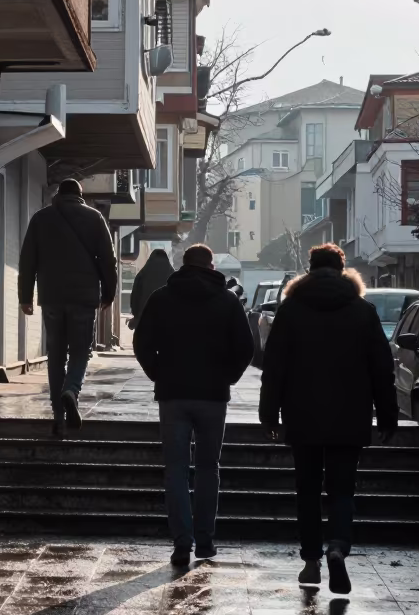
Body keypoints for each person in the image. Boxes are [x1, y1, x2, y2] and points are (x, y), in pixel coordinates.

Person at [258, 243, 398, 594]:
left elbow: (274, 366)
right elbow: (382, 368)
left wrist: (269, 414)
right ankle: (337, 545)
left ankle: (310, 561)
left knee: (306, 489)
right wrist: (387, 415)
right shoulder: (363, 311)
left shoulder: (291, 311)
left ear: (309, 268)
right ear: (342, 268)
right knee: (341, 488)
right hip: (349, 415)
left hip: (302, 413)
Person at [134, 244, 254, 565]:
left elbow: (142, 343)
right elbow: (246, 347)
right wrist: (227, 376)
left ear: (182, 266)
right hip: (213, 397)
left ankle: (181, 543)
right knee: (207, 469)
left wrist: (159, 373)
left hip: (173, 395)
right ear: (211, 267)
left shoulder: (162, 297)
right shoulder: (227, 301)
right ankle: (204, 540)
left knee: (175, 470)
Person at [18, 178, 116, 434]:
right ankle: (71, 390)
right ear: (80, 196)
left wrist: (25, 297)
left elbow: (28, 259)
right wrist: (109, 292)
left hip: (51, 296)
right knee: (81, 351)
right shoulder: (94, 218)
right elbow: (108, 259)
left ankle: (58, 414)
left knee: (56, 354)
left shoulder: (41, 218)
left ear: (58, 195)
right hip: (83, 297)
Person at [127, 248, 173, 329]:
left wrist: (136, 314)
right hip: (167, 319)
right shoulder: (172, 275)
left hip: (145, 317)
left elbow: (135, 296)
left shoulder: (142, 275)